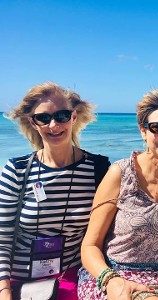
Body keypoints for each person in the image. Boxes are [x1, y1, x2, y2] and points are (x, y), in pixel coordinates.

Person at [77, 87, 158, 300]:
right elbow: (90, 245)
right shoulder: (120, 173)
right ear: (143, 131)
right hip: (111, 271)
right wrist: (111, 280)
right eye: (157, 127)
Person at [0, 81, 110, 300]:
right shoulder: (18, 170)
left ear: (74, 117)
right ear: (33, 123)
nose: (53, 125)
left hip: (73, 278)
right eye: (44, 118)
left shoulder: (98, 170)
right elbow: (2, 239)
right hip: (19, 280)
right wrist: (4, 292)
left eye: (61, 116)